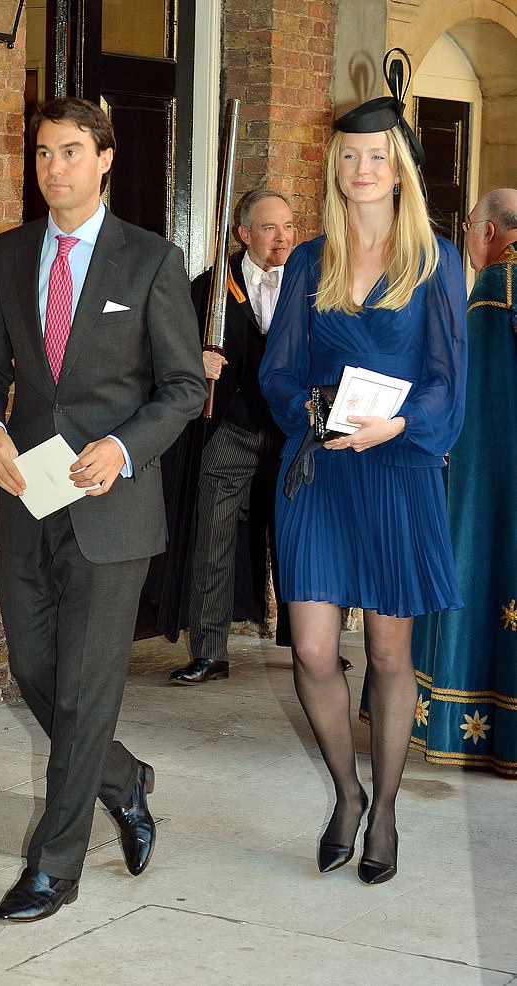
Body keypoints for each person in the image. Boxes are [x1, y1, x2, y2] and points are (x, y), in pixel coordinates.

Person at [0, 97, 207, 922]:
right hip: (29, 498)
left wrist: (128, 447)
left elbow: (183, 388)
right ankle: (124, 778)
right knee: (35, 670)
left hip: (113, 505)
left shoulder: (150, 261)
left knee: (84, 693)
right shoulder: (6, 254)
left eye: (70, 151)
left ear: (105, 159)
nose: (52, 167)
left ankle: (53, 866)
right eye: (42, 153)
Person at [259, 49, 467, 884]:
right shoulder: (312, 259)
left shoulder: (437, 261)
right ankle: (346, 791)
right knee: (312, 649)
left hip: (397, 468)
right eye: (348, 158)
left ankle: (385, 813)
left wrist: (400, 426)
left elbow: (451, 379)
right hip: (320, 467)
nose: (360, 170)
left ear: (401, 169)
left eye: (375, 158)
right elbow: (278, 365)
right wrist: (305, 413)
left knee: (387, 655)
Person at [166, 189, 295, 684]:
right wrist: (195, 360)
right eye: (269, 228)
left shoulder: (310, 284)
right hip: (232, 430)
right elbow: (170, 345)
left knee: (294, 538)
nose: (282, 237)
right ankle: (210, 650)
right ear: (244, 234)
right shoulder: (210, 289)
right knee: (213, 538)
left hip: (290, 431)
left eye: (287, 227)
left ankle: (306, 643)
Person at [411, 188, 517, 777]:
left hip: (491, 472)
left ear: (486, 233)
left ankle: (469, 723)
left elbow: (466, 398)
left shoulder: (493, 291)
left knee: (475, 562)